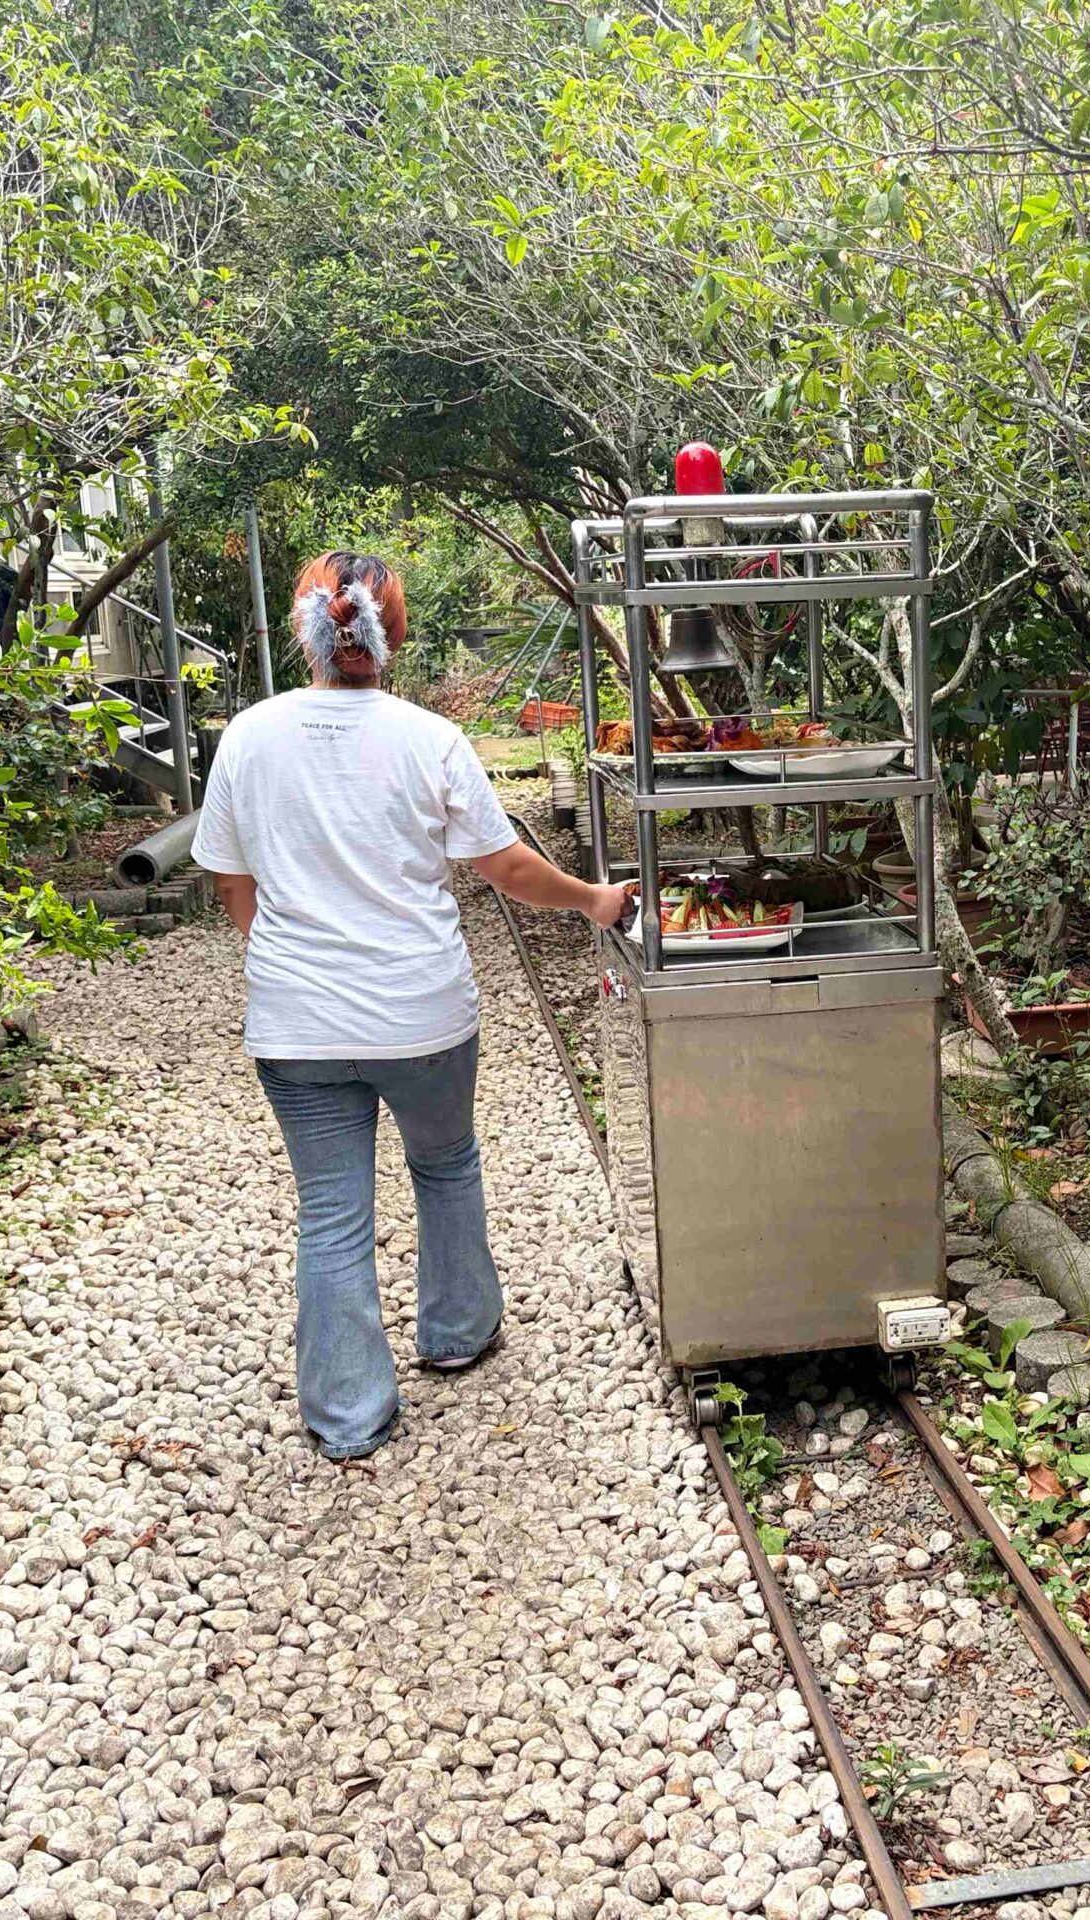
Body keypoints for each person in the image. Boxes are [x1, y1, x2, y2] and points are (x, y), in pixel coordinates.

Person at [193, 550, 629, 1460]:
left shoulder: (248, 734)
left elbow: (233, 884)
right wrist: (592, 897)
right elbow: (504, 869)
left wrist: (291, 961)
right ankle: (458, 1334)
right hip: (420, 1012)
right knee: (444, 1163)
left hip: (297, 1021)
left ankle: (350, 1417)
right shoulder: (429, 738)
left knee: (332, 1211)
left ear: (308, 629)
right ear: (390, 635)